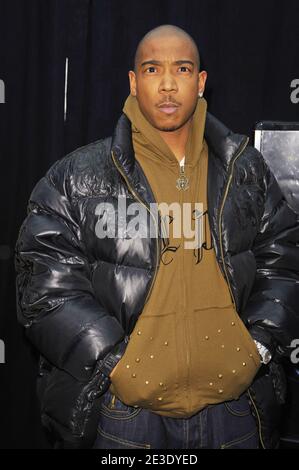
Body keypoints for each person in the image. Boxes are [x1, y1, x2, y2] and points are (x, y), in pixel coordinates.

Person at [15, 24, 299, 449]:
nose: (167, 84)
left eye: (182, 69)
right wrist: (115, 366)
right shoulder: (78, 177)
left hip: (236, 411)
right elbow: (43, 284)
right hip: (126, 418)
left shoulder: (245, 168)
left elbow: (284, 257)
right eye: (152, 69)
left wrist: (257, 346)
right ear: (133, 81)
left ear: (201, 82)